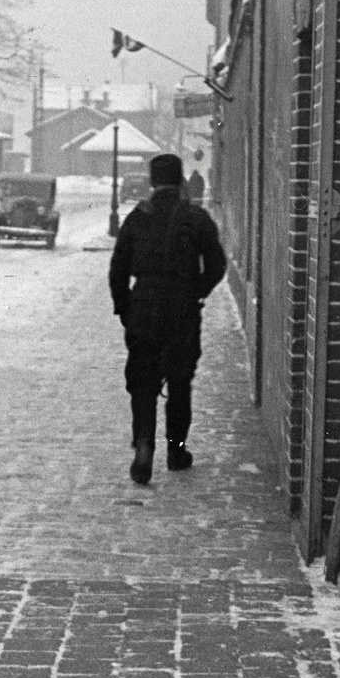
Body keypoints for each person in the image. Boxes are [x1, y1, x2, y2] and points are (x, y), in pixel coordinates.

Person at [109, 153, 226, 484]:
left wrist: (125, 308)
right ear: (181, 182)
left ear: (152, 182)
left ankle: (144, 445)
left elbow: (117, 270)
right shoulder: (196, 217)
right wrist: (197, 292)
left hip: (143, 308)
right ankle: (176, 451)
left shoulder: (137, 218)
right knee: (179, 383)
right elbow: (216, 265)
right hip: (182, 310)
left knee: (143, 383)